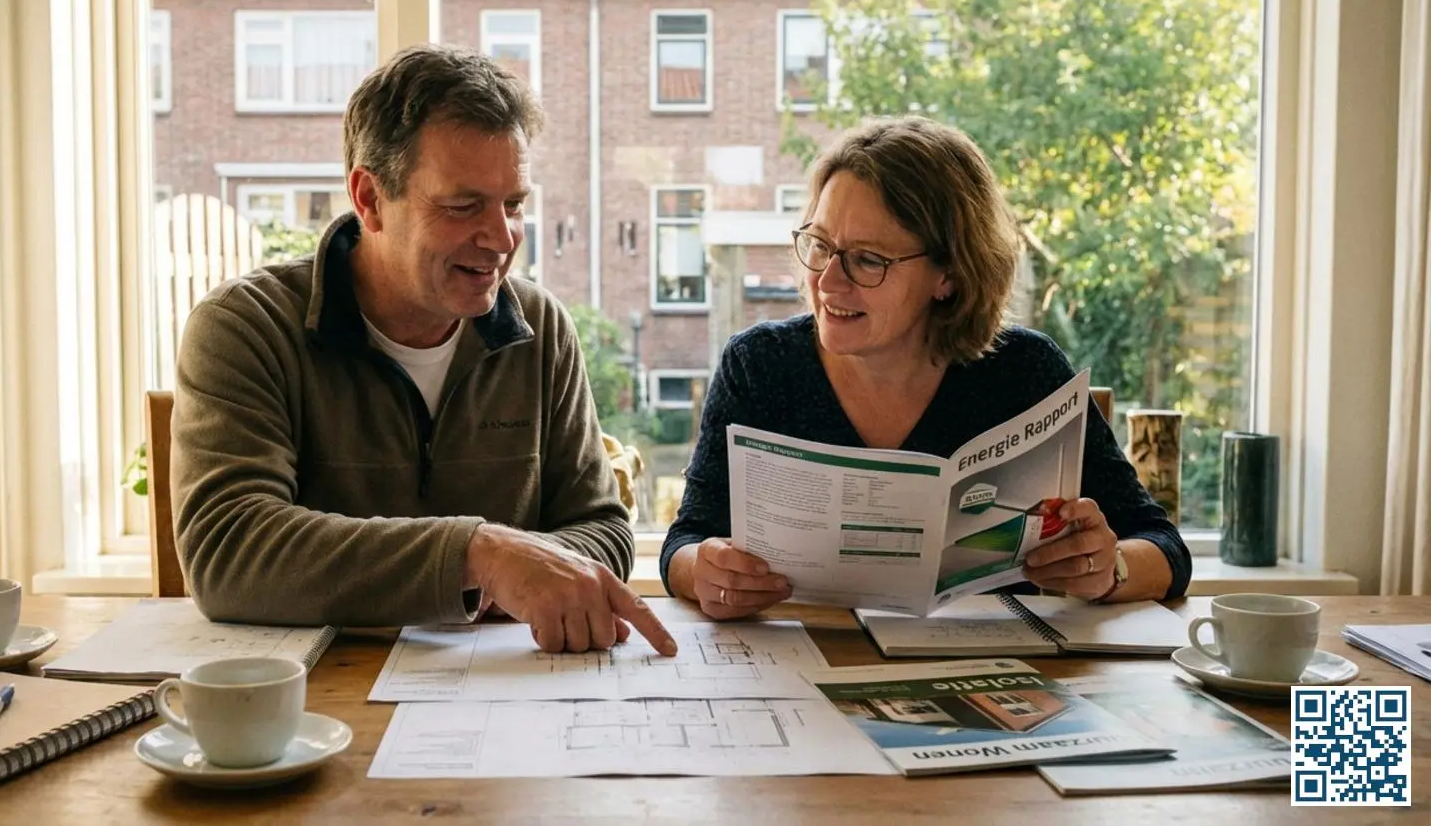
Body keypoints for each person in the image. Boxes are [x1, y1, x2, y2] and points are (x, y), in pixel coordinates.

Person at [171, 44, 676, 656]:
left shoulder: (542, 328)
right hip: (311, 708)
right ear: (369, 199)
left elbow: (604, 530)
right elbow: (229, 549)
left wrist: (524, 577)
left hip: (507, 696)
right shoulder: (244, 328)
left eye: (514, 205)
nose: (501, 238)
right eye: (463, 206)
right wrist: (478, 557)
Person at [661, 116, 1190, 620]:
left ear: (949, 276)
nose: (827, 281)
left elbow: (1164, 548)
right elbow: (685, 542)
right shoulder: (759, 366)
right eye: (820, 245)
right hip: (802, 669)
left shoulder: (1023, 372)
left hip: (992, 675)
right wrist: (704, 572)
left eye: (867, 259)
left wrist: (1107, 569)